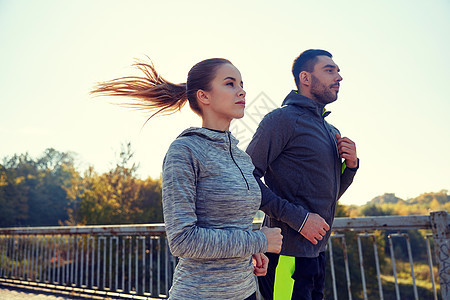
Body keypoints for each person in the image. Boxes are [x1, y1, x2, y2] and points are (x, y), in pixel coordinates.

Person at [91, 58, 283, 300]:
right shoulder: (185, 151)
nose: (242, 90)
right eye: (230, 84)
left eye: (241, 84)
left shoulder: (242, 158)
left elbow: (234, 225)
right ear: (204, 96)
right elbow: (183, 240)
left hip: (245, 291)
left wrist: (252, 252)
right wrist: (257, 241)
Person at [246, 49, 359, 300]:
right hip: (286, 254)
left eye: (338, 71)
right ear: (305, 78)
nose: (339, 77)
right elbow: (245, 178)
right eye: (329, 70)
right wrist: (299, 219)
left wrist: (350, 168)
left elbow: (327, 196)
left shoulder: (331, 131)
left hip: (317, 255)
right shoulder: (281, 120)